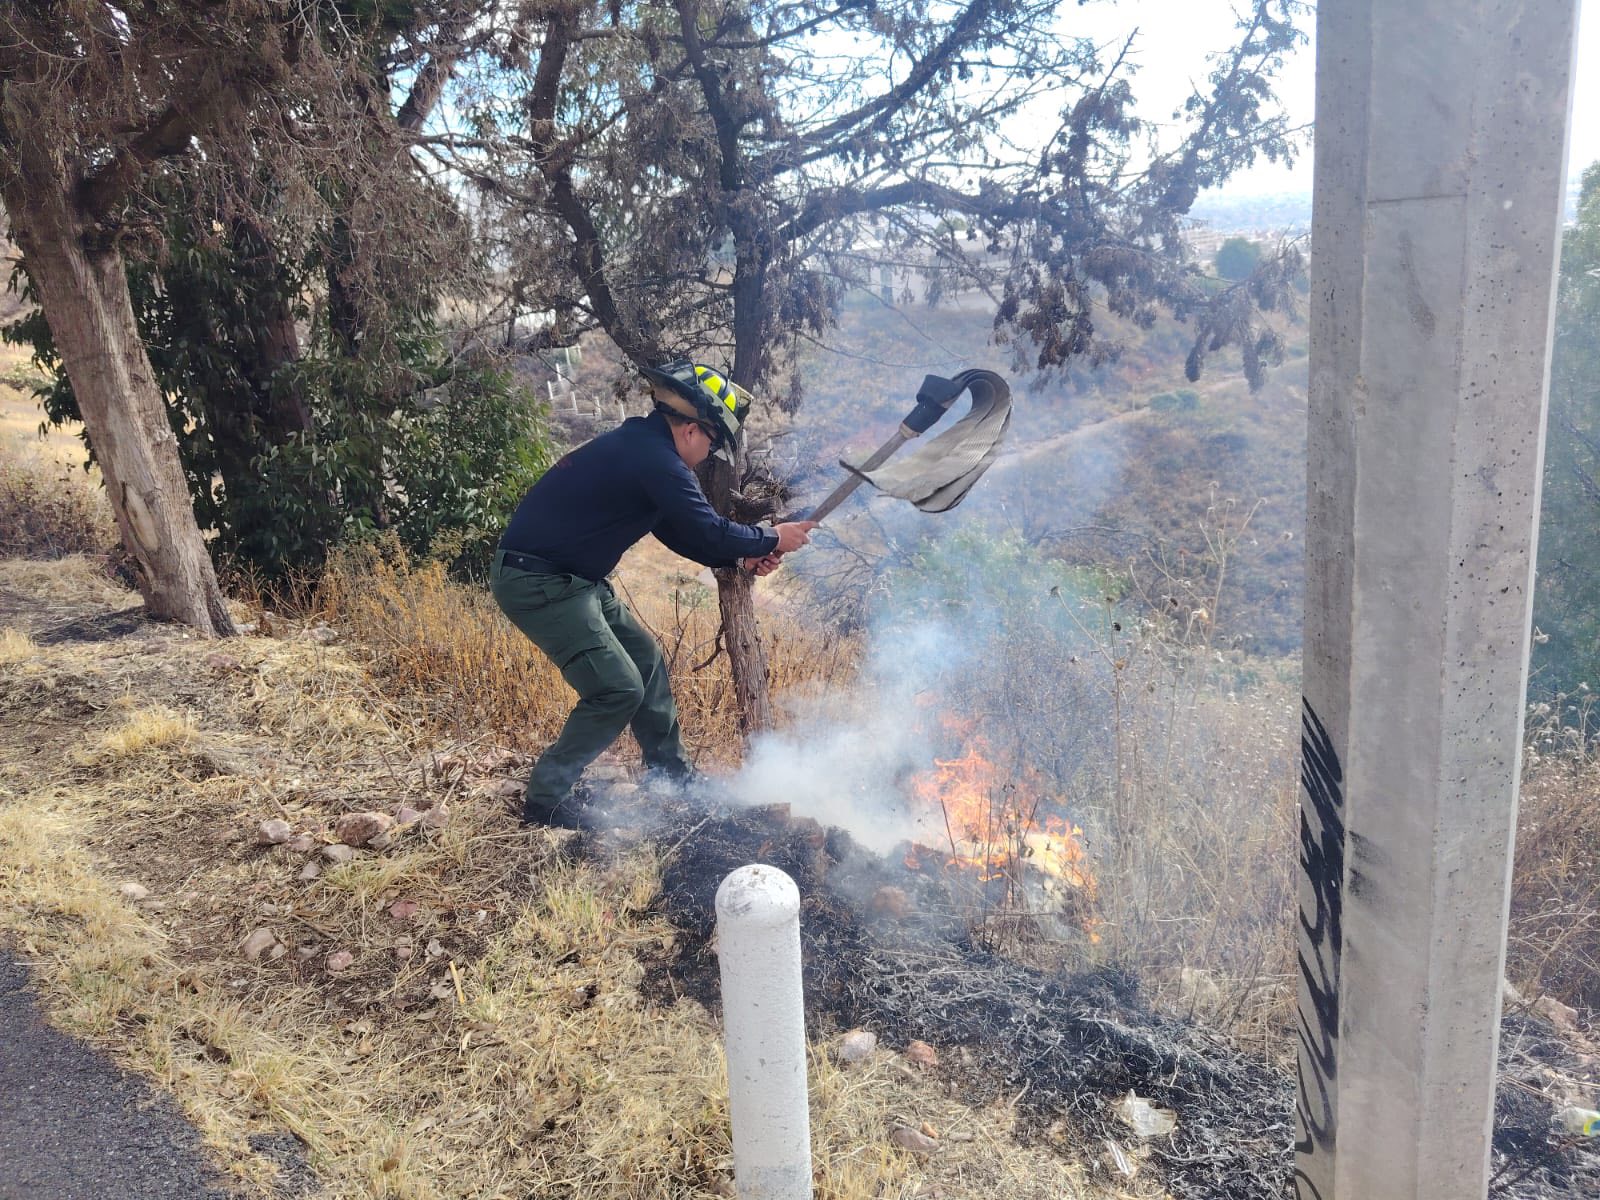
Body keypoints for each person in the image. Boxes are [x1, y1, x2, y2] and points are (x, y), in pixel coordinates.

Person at [490, 358, 817, 829]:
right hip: (539, 581)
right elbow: (707, 528)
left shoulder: (642, 449)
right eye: (712, 443)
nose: (708, 455)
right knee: (617, 688)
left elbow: (683, 533)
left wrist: (740, 558)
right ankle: (546, 802)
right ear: (690, 430)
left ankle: (672, 776)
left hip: (575, 581)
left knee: (645, 660)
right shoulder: (656, 459)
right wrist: (770, 538)